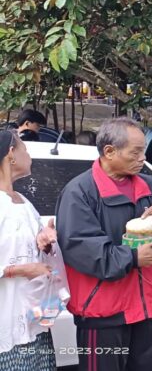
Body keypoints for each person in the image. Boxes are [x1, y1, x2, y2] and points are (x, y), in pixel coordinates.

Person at [56, 118, 152, 371]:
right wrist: (133, 257)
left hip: (146, 307)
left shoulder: (149, 186)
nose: (143, 158)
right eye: (136, 152)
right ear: (109, 151)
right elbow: (83, 249)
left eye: (143, 151)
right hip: (102, 312)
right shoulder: (80, 192)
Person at [0, 130, 58, 370]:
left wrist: (44, 240)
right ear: (11, 154)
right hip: (6, 325)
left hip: (34, 319)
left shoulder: (24, 202)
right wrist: (21, 270)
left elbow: (32, 249)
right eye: (25, 148)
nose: (29, 154)